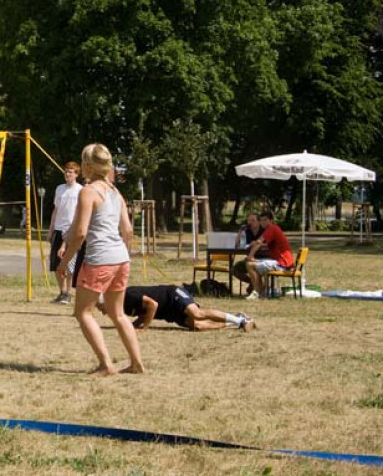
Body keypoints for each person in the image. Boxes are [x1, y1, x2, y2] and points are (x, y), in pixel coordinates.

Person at [60, 143, 144, 376]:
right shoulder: (116, 192)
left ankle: (106, 364)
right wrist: (121, 253)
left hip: (100, 259)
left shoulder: (88, 192)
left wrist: (64, 262)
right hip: (120, 258)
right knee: (118, 314)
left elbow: (80, 233)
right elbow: (127, 230)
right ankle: (136, 363)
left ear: (87, 166)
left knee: (83, 313)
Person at [103, 285, 256, 332]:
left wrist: (145, 327)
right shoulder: (124, 309)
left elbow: (152, 305)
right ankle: (234, 321)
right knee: (197, 326)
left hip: (172, 295)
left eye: (102, 308)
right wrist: (134, 325)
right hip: (169, 313)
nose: (103, 312)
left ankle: (241, 321)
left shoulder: (127, 295)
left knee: (197, 313)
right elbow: (144, 313)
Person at [49, 162, 82, 304]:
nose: (67, 174)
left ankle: (68, 293)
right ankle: (62, 292)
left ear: (76, 174)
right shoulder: (59, 189)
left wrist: (73, 230)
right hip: (58, 228)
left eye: (71, 172)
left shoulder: (80, 190)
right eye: (66, 171)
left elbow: (79, 213)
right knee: (55, 264)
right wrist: (51, 229)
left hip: (71, 230)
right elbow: (56, 209)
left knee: (69, 264)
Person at [245, 210, 294, 300]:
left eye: (265, 220)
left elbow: (259, 242)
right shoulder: (274, 228)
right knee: (253, 264)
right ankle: (261, 291)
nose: (263, 222)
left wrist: (250, 256)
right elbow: (264, 243)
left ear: (271, 220)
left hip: (282, 264)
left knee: (249, 264)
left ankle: (257, 292)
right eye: (261, 220)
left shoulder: (272, 228)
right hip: (283, 262)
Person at [231, 212, 264, 289]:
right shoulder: (247, 231)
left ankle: (256, 285)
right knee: (234, 269)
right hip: (250, 258)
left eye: (253, 220)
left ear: (259, 222)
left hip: (263, 258)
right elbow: (236, 244)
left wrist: (256, 244)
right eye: (248, 220)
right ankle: (253, 282)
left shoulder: (264, 231)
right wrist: (240, 232)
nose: (250, 222)